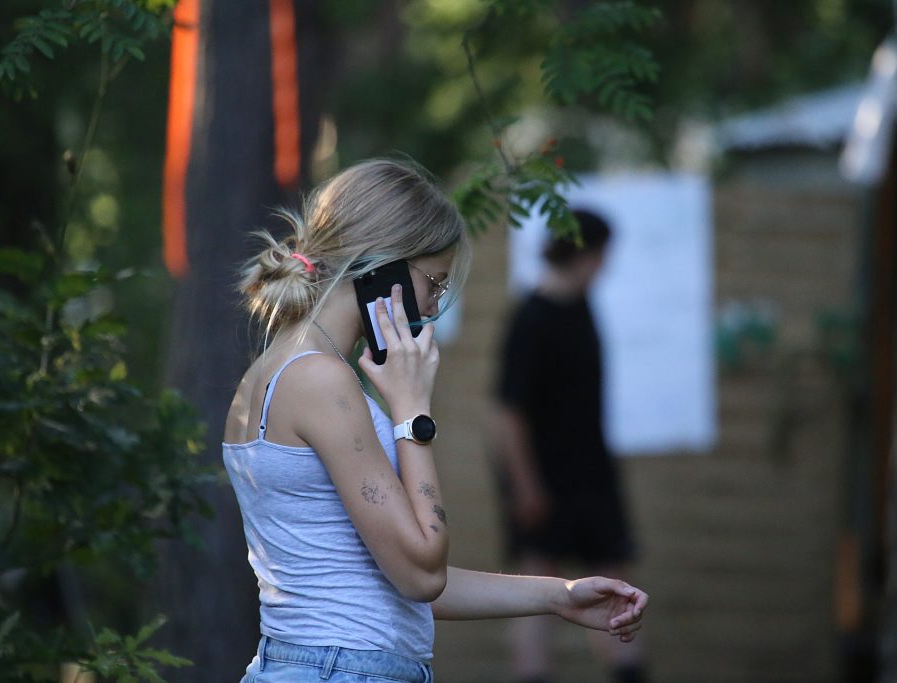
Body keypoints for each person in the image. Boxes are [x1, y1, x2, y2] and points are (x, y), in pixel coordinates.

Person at [222, 159, 648, 683]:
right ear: (385, 265)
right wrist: (412, 413)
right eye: (434, 282)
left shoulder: (282, 370)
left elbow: (409, 578)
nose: (432, 305)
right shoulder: (320, 380)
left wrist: (560, 596)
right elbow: (420, 574)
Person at [491, 209, 647, 683]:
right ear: (584, 253)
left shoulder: (583, 307)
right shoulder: (532, 317)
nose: (605, 264)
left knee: (616, 588)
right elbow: (507, 413)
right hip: (544, 479)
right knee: (539, 592)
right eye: (602, 253)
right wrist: (526, 487)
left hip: (592, 475)